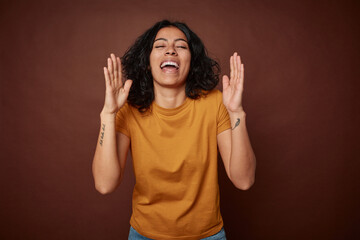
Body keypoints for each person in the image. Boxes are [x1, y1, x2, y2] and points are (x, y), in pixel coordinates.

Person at [92, 20, 256, 240]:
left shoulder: (215, 103)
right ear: (147, 62)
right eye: (160, 46)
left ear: (192, 60)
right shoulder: (129, 109)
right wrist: (108, 114)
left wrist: (236, 112)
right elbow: (104, 184)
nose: (170, 50)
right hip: (144, 235)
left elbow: (243, 180)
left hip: (207, 236)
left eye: (181, 45)